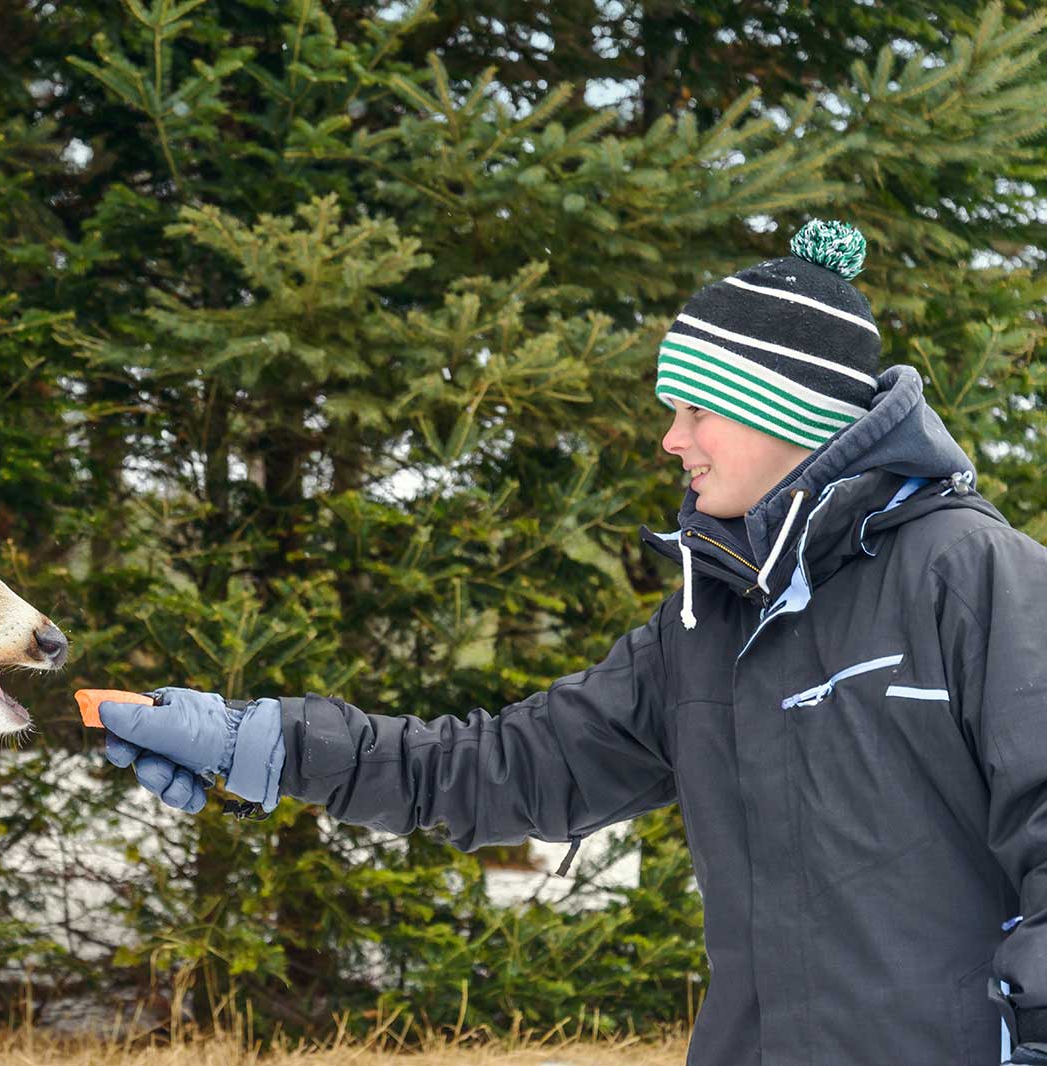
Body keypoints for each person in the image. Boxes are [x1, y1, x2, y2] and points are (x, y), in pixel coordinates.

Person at [97, 220, 1047, 1066]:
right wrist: (248, 743)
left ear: (783, 414)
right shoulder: (707, 625)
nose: (672, 439)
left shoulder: (970, 577)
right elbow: (500, 767)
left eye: (696, 410)